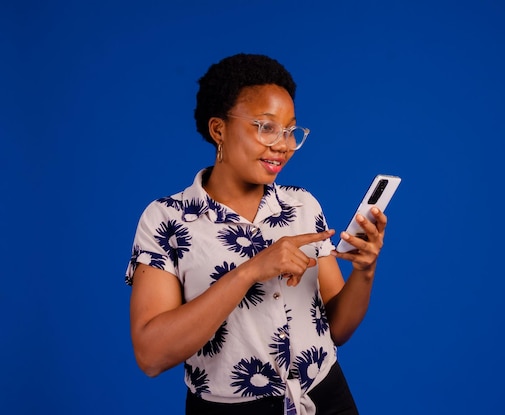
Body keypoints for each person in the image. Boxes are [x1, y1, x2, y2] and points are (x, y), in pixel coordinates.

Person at [125, 53, 389, 415]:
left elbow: (337, 330)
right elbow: (151, 355)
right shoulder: (166, 220)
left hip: (326, 398)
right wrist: (250, 271)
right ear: (219, 129)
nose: (283, 145)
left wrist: (365, 270)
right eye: (266, 127)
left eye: (290, 130)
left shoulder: (302, 205)